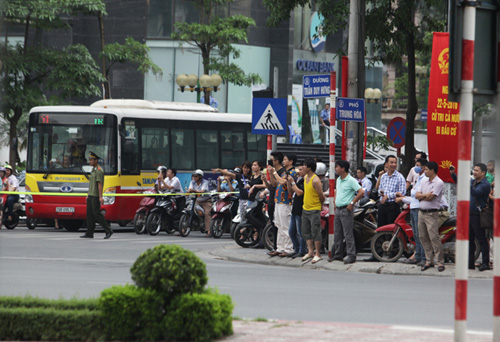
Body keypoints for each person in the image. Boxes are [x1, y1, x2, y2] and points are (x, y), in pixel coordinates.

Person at [329, 160, 365, 264]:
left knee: (348, 233)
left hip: (346, 209)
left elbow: (361, 191)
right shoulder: (339, 179)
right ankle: (338, 254)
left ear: (343, 168)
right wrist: (335, 201)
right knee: (337, 233)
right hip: (339, 209)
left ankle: (351, 255)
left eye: (337, 167)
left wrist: (352, 203)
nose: (336, 169)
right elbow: (337, 191)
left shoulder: (351, 180)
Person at [396, 158, 427, 266]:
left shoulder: (424, 179)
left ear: (423, 167)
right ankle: (418, 255)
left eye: (417, 165)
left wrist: (411, 194)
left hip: (419, 207)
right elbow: (413, 194)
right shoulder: (418, 178)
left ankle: (424, 257)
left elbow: (417, 194)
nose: (415, 167)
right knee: (416, 235)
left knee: (421, 235)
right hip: (413, 207)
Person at [416, 161, 445, 272]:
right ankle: (429, 261)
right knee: (423, 237)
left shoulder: (439, 182)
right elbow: (417, 195)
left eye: (427, 169)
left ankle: (440, 262)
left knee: (434, 238)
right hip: (421, 212)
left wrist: (422, 196)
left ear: (432, 170)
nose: (425, 171)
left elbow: (431, 197)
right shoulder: (424, 181)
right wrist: (424, 195)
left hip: (431, 213)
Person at [267, 153, 297, 257]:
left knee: (285, 225)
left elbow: (283, 182)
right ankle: (280, 247)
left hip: (286, 202)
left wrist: (274, 172)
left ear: (291, 161)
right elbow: (275, 183)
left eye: (285, 159)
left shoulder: (293, 172)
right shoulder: (285, 172)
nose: (283, 161)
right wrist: (271, 173)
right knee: (278, 225)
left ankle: (288, 248)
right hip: (278, 201)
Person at [80, 152, 114, 239]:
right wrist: (88, 194)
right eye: (90, 159)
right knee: (89, 215)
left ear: (96, 160)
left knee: (97, 214)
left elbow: (100, 184)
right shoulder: (93, 170)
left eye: (91, 160)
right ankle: (89, 232)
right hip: (91, 195)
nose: (90, 161)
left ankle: (108, 230)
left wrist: (100, 197)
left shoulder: (99, 170)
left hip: (95, 196)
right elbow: (91, 184)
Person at [299, 159, 327, 263]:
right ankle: (310, 252)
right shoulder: (305, 177)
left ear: (310, 168)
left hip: (314, 209)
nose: (303, 168)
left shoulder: (315, 180)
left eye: (305, 166)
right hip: (305, 207)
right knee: (306, 231)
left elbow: (321, 196)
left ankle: (318, 253)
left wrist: (319, 205)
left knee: (316, 231)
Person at [468, 163, 491, 271]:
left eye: (477, 170)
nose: (474, 172)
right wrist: (453, 174)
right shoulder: (473, 182)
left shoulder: (485, 184)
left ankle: (485, 263)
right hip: (469, 214)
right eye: (474, 170)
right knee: (469, 240)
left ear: (483, 172)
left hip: (478, 215)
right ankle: (470, 263)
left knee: (481, 240)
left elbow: (475, 193)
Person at [377, 155, 405, 227]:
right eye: (391, 162)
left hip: (393, 206)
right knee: (381, 227)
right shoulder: (383, 176)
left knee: (391, 228)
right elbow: (380, 188)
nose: (394, 165)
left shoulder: (400, 177)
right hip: (382, 205)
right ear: (386, 164)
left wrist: (388, 196)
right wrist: (381, 192)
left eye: (395, 163)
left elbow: (402, 192)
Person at [286, 164, 307, 259]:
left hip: (301, 209)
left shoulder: (305, 181)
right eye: (298, 169)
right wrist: (288, 181)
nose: (299, 171)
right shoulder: (299, 180)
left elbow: (299, 192)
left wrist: (293, 183)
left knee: (301, 232)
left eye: (301, 169)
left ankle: (302, 250)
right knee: (291, 231)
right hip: (295, 209)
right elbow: (291, 191)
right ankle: (297, 249)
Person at [187, 169, 212, 236]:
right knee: (189, 210)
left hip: (206, 201)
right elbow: (190, 189)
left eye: (196, 176)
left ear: (200, 177)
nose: (194, 178)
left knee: (207, 213)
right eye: (194, 176)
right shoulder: (192, 182)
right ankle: (184, 228)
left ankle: (208, 230)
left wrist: (193, 190)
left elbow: (201, 191)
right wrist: (189, 191)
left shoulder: (205, 182)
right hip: (197, 200)